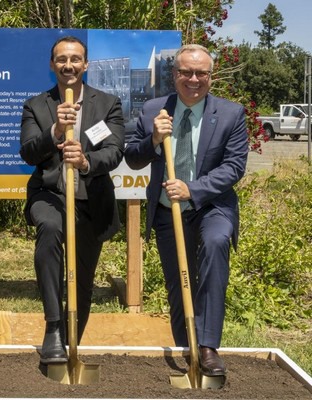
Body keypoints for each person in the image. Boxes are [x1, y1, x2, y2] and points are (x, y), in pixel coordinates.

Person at [124, 44, 249, 377]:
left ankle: (207, 347)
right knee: (178, 283)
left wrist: (192, 189)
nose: (194, 79)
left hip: (212, 206)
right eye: (186, 72)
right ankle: (187, 348)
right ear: (174, 74)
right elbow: (132, 157)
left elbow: (234, 166)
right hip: (168, 211)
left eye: (201, 73)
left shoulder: (231, 114)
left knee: (215, 243)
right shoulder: (154, 110)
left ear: (211, 76)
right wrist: (153, 139)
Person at [19, 36, 125, 364]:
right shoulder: (36, 105)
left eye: (75, 59)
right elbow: (28, 152)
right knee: (50, 229)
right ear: (52, 65)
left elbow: (114, 150)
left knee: (83, 276)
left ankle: (70, 338)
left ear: (85, 64)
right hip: (49, 194)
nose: (69, 65)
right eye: (62, 59)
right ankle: (53, 327)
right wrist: (54, 131)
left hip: (91, 200)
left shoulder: (107, 104)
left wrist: (85, 161)